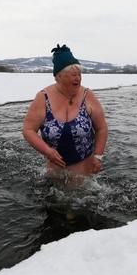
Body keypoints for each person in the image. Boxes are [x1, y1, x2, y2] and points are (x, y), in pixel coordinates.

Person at [22, 44, 108, 178]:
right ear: (59, 76)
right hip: (55, 175)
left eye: (79, 74)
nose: (78, 78)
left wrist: (98, 156)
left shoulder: (87, 96)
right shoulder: (43, 98)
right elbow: (28, 130)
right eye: (73, 74)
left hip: (86, 177)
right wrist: (47, 151)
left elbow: (102, 128)